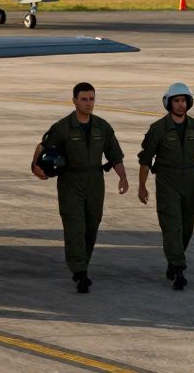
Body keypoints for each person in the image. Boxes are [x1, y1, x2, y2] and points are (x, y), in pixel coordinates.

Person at [31, 82, 128, 293]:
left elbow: (115, 155)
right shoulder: (63, 127)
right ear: (74, 100)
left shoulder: (102, 127)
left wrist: (123, 177)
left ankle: (82, 264)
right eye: (84, 99)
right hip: (70, 181)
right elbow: (43, 146)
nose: (88, 103)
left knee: (92, 225)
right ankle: (80, 272)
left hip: (95, 181)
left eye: (91, 99)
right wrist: (34, 166)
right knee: (75, 226)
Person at [137, 82, 194, 290]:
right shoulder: (158, 129)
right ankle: (178, 268)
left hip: (191, 181)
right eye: (176, 101)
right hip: (167, 180)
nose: (181, 105)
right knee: (172, 226)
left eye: (184, 100)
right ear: (169, 103)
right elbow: (146, 160)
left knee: (187, 228)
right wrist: (142, 186)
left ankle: (173, 260)